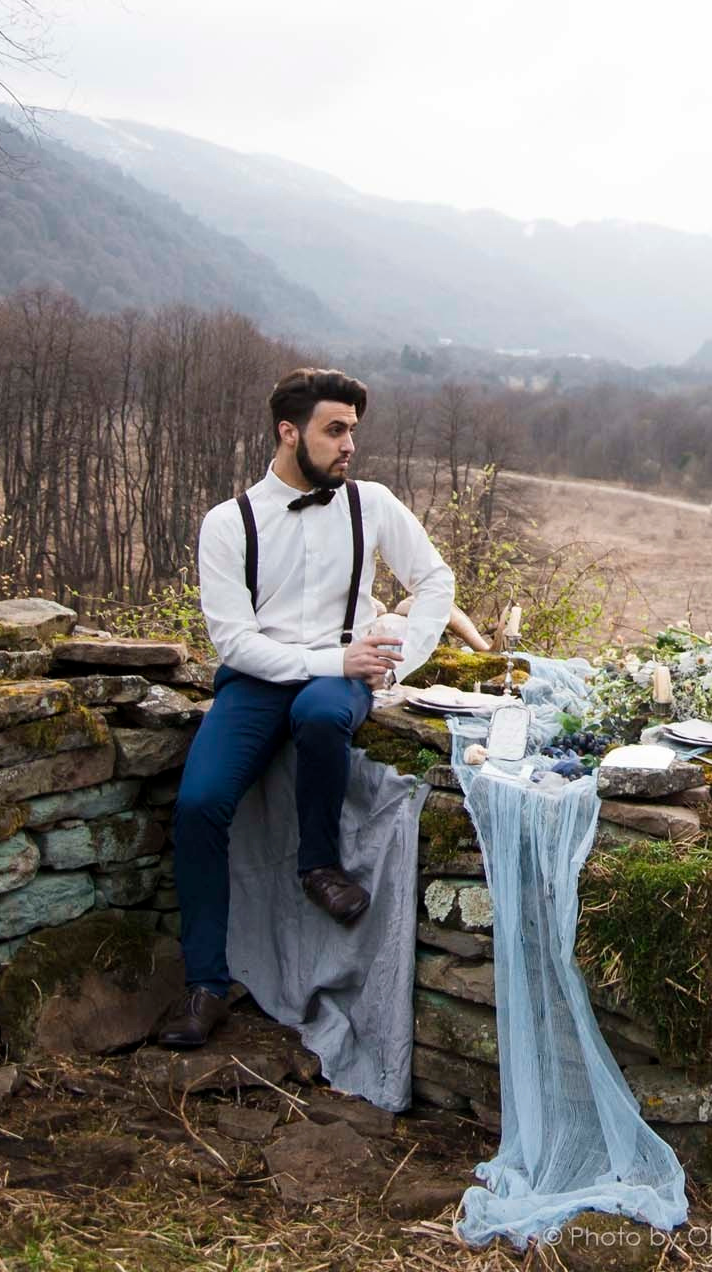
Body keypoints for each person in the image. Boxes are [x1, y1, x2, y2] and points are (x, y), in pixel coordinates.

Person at [157, 367, 455, 1049]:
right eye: (334, 429)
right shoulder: (228, 524)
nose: (349, 444)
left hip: (337, 680)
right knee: (199, 803)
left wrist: (395, 657)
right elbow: (234, 642)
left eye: (352, 429)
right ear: (289, 433)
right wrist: (334, 661)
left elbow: (436, 579)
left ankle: (318, 865)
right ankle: (205, 984)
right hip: (259, 680)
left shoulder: (371, 504)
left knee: (321, 716)